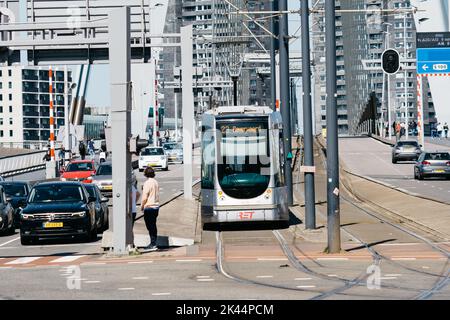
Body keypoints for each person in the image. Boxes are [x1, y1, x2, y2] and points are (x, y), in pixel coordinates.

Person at [140, 167, 160, 251]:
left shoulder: (147, 183)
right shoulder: (156, 182)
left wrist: (142, 206)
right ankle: (153, 243)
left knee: (150, 226)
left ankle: (153, 244)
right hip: (156, 207)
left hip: (149, 207)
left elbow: (144, 197)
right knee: (153, 225)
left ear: (145, 174)